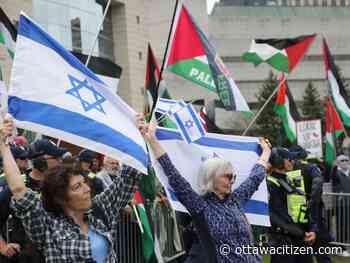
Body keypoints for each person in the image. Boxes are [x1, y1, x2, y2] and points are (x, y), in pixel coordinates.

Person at [0, 115, 143, 263]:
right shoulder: (47, 226)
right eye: (77, 187)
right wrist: (3, 144)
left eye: (84, 183)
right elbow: (18, 190)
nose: (87, 189)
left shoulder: (100, 209)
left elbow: (129, 176)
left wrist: (136, 135)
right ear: (61, 197)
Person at [137, 115, 272, 263]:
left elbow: (255, 177)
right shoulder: (200, 206)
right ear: (212, 177)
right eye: (227, 176)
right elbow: (173, 175)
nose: (232, 181)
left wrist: (266, 152)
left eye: (233, 177)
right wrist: (152, 140)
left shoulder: (236, 200)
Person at [0, 140, 72, 263]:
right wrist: (3, 246)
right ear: (41, 161)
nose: (60, 162)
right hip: (25, 257)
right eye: (56, 158)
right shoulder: (16, 188)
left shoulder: (62, 186)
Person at [267, 147, 314, 263]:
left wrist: (311, 230)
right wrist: (302, 233)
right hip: (283, 240)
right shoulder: (270, 183)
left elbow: (303, 208)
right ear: (279, 161)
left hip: (300, 237)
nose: (293, 161)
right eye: (289, 159)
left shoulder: (290, 179)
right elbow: (278, 215)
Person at [289, 145, 332, 263]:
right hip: (313, 215)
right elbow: (317, 187)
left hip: (295, 217)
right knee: (322, 253)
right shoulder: (311, 168)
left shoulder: (287, 170)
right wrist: (312, 203)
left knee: (300, 254)